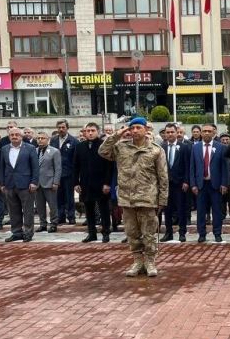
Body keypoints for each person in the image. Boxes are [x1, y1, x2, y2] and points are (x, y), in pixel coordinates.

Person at [100, 117, 168, 277]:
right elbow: (103, 151)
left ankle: (150, 262)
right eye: (132, 128)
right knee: (131, 233)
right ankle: (138, 261)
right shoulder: (121, 147)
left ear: (146, 130)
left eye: (138, 127)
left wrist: (163, 199)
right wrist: (118, 133)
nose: (135, 130)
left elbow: (163, 176)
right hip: (127, 198)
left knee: (149, 233)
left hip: (148, 198)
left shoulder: (156, 150)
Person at [74, 123, 114, 243]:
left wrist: (107, 183)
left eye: (92, 130)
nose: (90, 133)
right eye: (88, 131)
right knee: (89, 209)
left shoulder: (103, 145)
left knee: (104, 209)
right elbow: (75, 166)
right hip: (86, 183)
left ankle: (106, 232)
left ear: (98, 131)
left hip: (101, 183)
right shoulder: (80, 146)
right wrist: (76, 182)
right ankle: (91, 233)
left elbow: (109, 166)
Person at [189, 123, 229, 242]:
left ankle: (217, 234)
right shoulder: (195, 147)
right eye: (204, 131)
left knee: (217, 211)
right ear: (201, 133)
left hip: (215, 185)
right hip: (201, 185)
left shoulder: (220, 147)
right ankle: (202, 234)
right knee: (200, 211)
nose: (206, 133)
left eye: (209, 131)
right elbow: (192, 167)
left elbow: (224, 167)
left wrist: (224, 183)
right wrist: (193, 184)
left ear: (214, 133)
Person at [0, 127, 39, 242]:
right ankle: (16, 232)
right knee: (13, 210)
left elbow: (35, 167)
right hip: (10, 184)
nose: (14, 136)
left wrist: (34, 182)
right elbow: (2, 167)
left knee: (27, 210)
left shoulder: (30, 148)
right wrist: (2, 183)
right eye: (12, 135)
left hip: (26, 184)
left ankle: (28, 232)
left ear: (21, 136)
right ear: (9, 136)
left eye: (17, 134)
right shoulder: (4, 149)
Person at [161, 123, 190, 242]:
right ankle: (168, 233)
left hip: (180, 184)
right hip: (166, 185)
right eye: (167, 132)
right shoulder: (161, 148)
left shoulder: (184, 147)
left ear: (176, 132)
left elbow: (188, 166)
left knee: (181, 209)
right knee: (167, 210)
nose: (170, 134)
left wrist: (186, 181)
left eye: (172, 132)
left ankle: (182, 232)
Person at [50, 119, 78, 225]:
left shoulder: (74, 141)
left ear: (67, 128)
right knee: (58, 196)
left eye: (63, 127)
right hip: (56, 174)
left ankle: (71, 216)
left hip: (68, 173)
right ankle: (60, 216)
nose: (61, 129)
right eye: (59, 128)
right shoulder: (53, 140)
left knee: (69, 196)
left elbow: (76, 159)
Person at [34, 131, 61, 233]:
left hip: (50, 182)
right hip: (37, 183)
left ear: (48, 139)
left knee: (52, 205)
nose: (40, 140)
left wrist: (56, 182)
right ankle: (43, 224)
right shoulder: (34, 151)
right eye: (38, 138)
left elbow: (58, 168)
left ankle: (54, 223)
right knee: (40, 206)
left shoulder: (54, 151)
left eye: (42, 138)